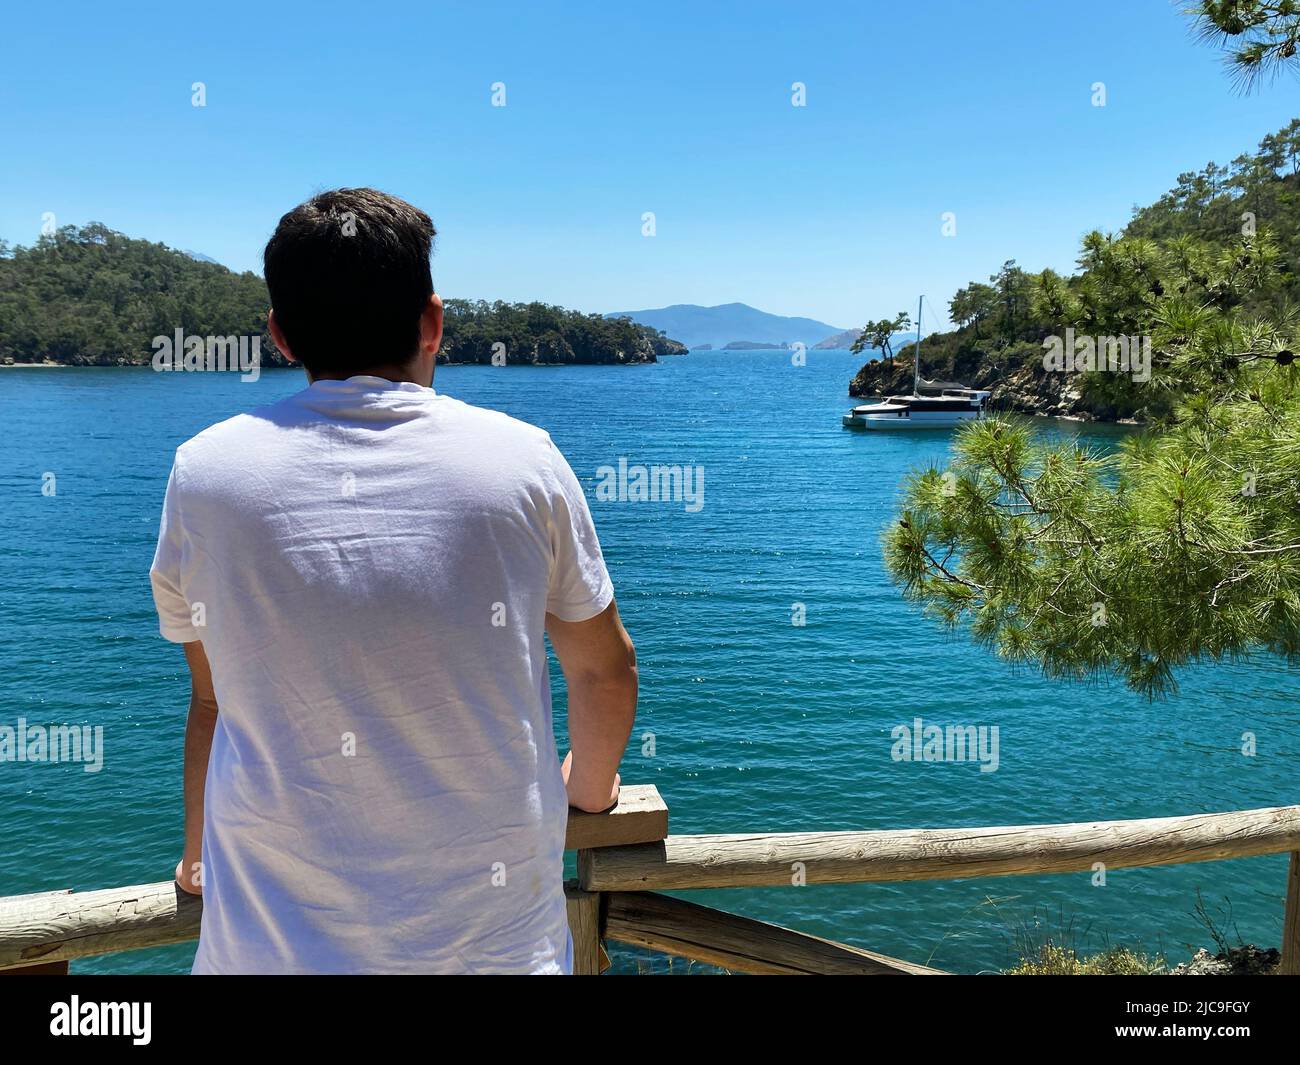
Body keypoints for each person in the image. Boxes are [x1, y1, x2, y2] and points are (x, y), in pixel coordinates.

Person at [150, 187, 638, 974]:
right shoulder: (523, 462)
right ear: (434, 320)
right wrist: (589, 789)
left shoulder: (205, 474)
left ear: (279, 335)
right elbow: (603, 665)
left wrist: (197, 852)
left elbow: (212, 700)